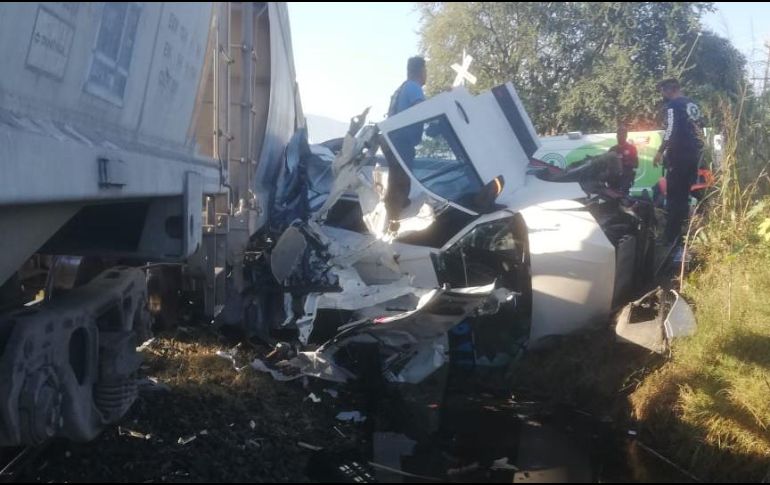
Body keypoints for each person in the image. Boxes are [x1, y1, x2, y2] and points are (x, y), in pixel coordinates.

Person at [653, 78, 703, 246]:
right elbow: (699, 130)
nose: (663, 95)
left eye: (663, 91)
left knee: (675, 197)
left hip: (679, 156)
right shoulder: (693, 105)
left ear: (669, 90)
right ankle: (688, 232)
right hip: (694, 156)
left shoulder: (673, 106)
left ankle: (671, 237)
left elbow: (670, 129)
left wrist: (660, 151)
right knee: (689, 195)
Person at [608, 126, 638, 195]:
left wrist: (625, 163)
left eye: (623, 134)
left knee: (623, 198)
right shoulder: (612, 149)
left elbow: (636, 164)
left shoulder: (632, 148)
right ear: (616, 136)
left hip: (625, 179)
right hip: (613, 181)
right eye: (619, 134)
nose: (620, 136)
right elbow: (607, 165)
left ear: (626, 136)